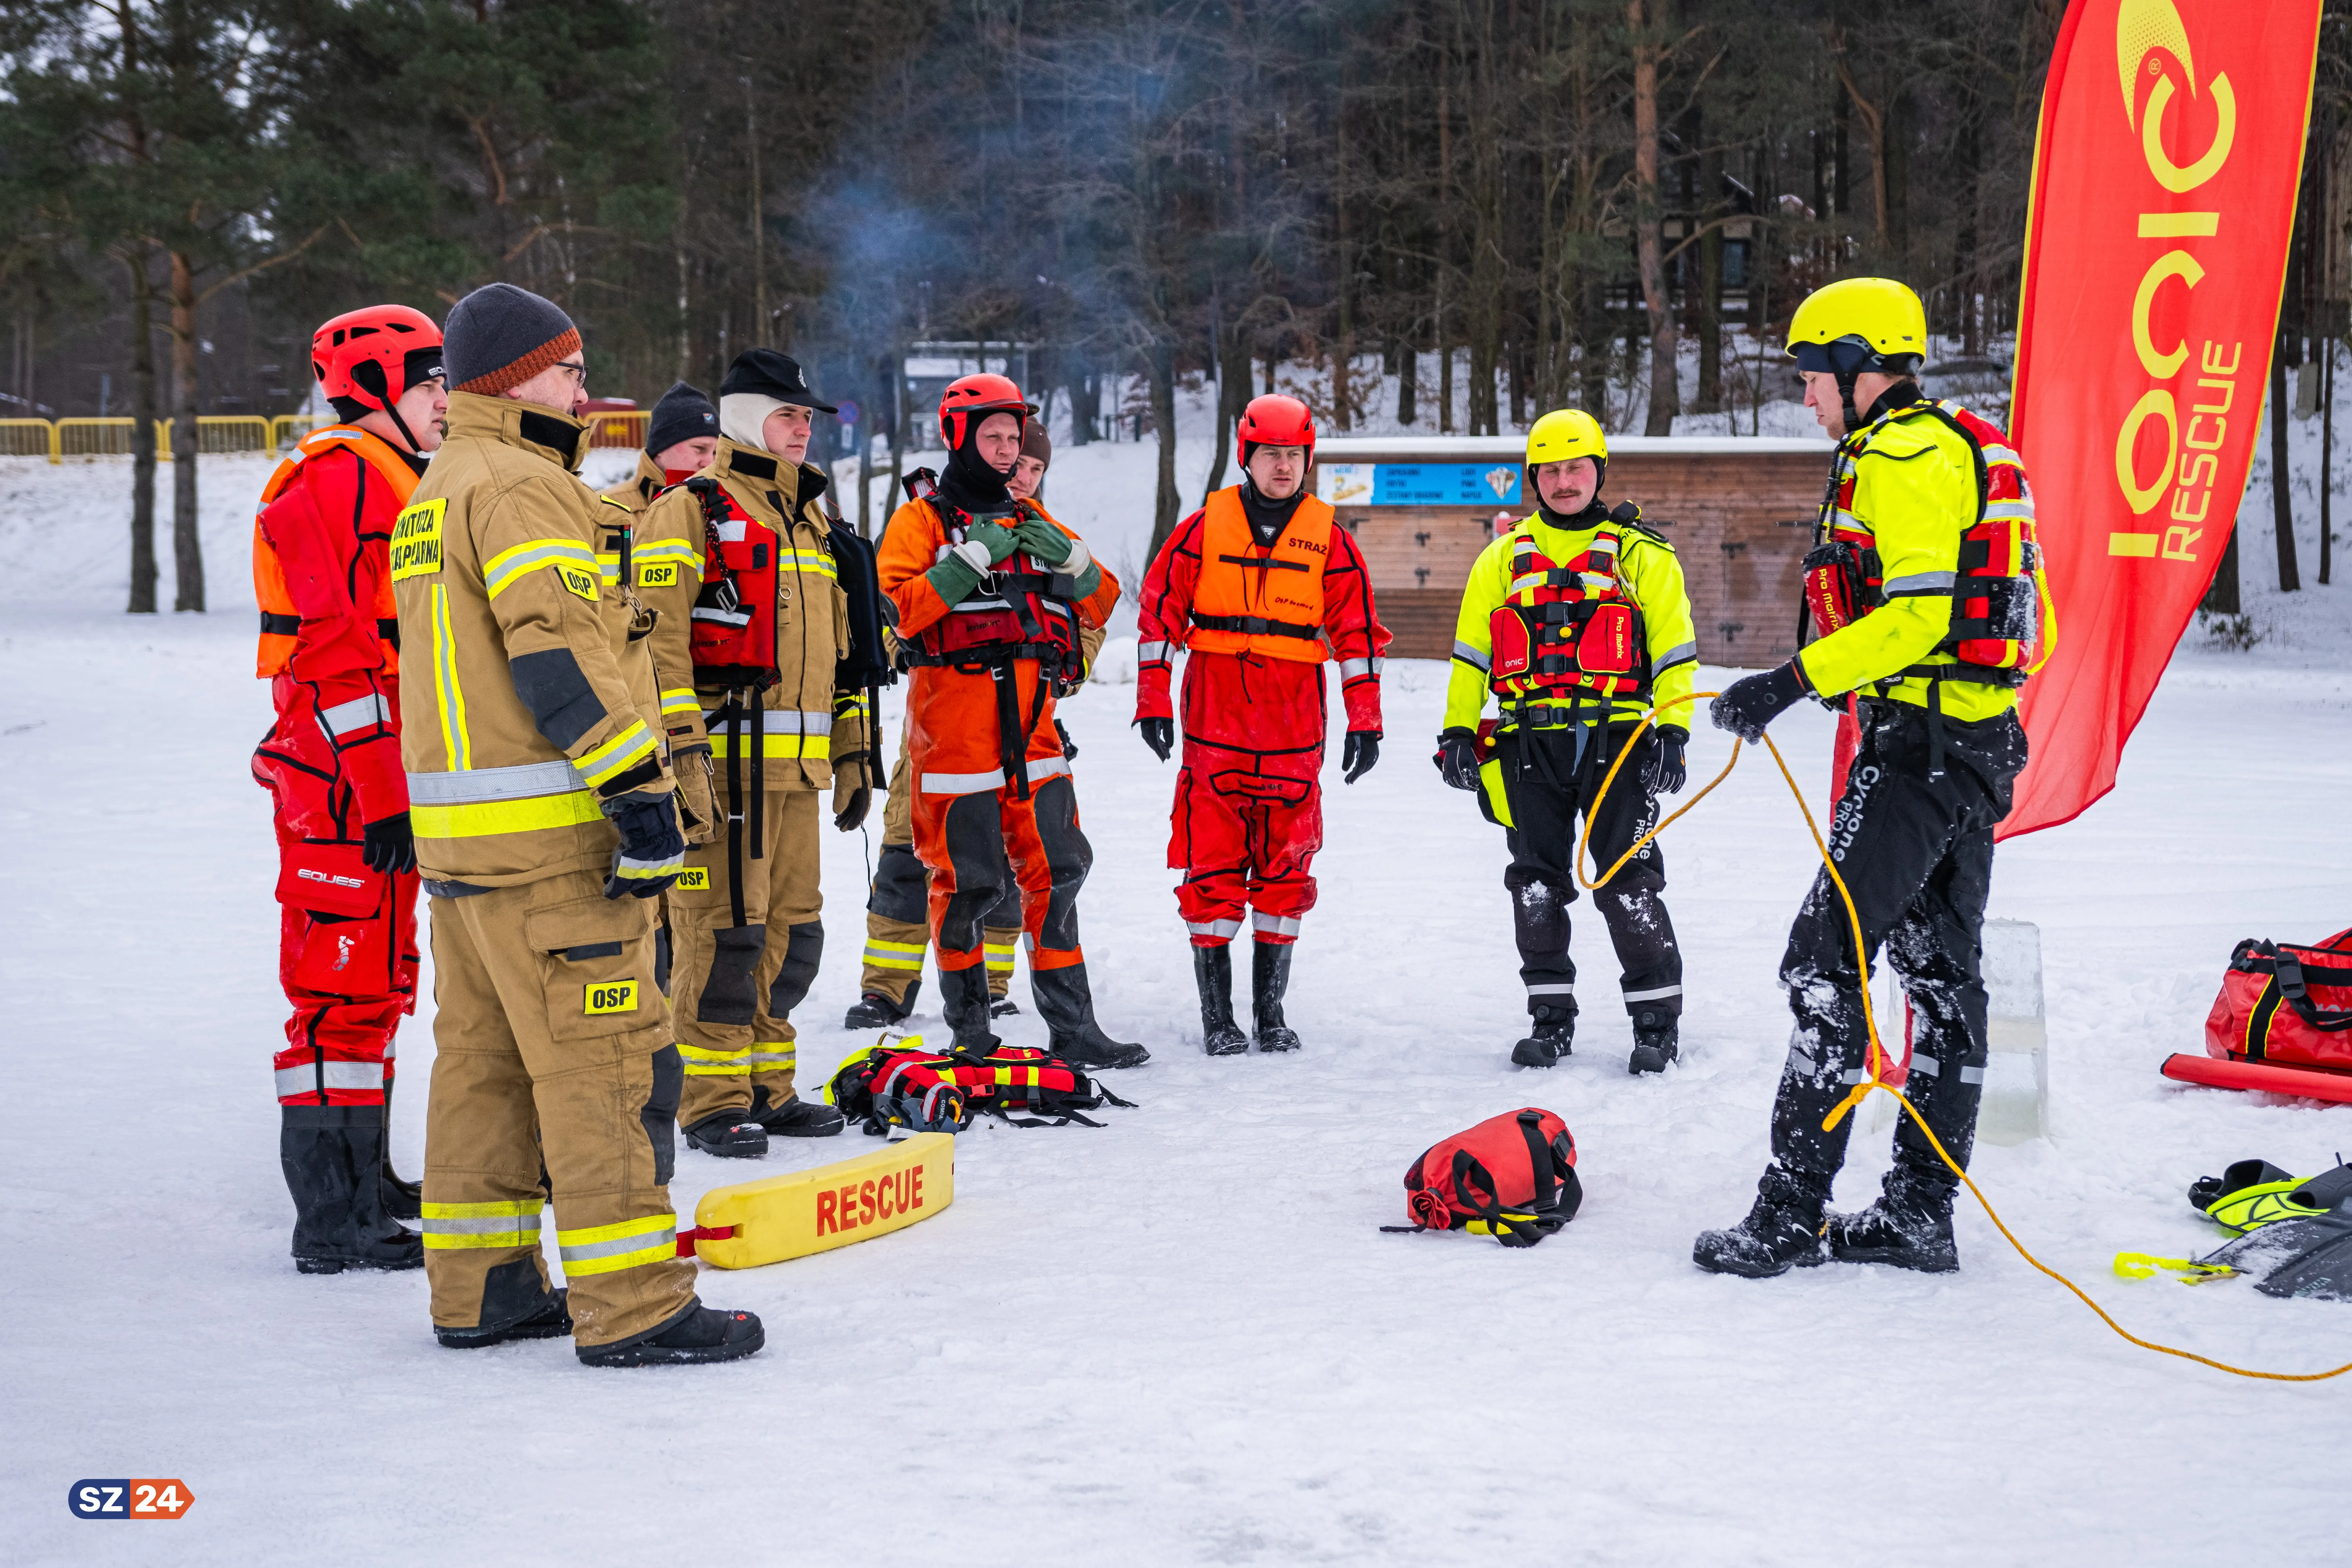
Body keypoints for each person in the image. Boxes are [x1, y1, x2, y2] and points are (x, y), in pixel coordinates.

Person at [395, 281, 760, 1365]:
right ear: (515, 381)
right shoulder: (522, 486)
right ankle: (635, 1302)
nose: (585, 391)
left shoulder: (437, 488)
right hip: (556, 850)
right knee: (602, 1066)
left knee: (484, 1069)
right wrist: (640, 794)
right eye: (568, 371)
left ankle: (486, 1286)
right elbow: (556, 649)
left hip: (466, 852)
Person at [1693, 276, 2038, 1278]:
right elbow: (2033, 622)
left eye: (1812, 376)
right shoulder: (1972, 447)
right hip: (1968, 749)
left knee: (1821, 964)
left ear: (1858, 365)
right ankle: (1918, 1215)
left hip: (1916, 758)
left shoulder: (1900, 456)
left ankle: (1789, 1212)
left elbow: (1918, 615)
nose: (1805, 397)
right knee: (1940, 981)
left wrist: (1788, 682)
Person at [630, 348, 871, 1156]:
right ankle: (710, 1100)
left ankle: (769, 1088)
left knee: (791, 939)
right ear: (743, 418)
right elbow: (655, 646)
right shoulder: (690, 509)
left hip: (795, 779)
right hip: (722, 774)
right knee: (723, 937)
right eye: (786, 415)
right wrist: (682, 758)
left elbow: (839, 658)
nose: (802, 430)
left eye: (806, 417)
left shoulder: (811, 522)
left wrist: (852, 752)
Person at [251, 304, 447, 1274]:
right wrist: (379, 789)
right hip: (339, 779)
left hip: (378, 775)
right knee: (337, 991)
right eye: (429, 382)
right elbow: (335, 648)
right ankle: (333, 1219)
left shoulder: (396, 473)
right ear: (373, 387)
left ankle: (370, 1183)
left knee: (377, 979)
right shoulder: (336, 478)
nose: (446, 400)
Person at [874, 374, 1141, 1068]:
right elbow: (896, 611)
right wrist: (971, 560)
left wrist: (1071, 558)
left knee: (1060, 870)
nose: (1003, 449)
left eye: (1012, 437)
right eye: (991, 436)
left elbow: (1103, 599)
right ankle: (971, 1033)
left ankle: (1075, 1029)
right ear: (958, 436)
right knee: (966, 884)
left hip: (1035, 736)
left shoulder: (1032, 518)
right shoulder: (920, 523)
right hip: (954, 737)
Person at [1435, 410, 1698, 1074]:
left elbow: (1675, 649)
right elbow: (1470, 657)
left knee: (1628, 883)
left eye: (1576, 468)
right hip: (1528, 744)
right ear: (1534, 478)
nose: (1564, 481)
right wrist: (1458, 730)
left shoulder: (1642, 553)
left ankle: (1656, 1025)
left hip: (1620, 739)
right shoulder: (1501, 558)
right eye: (1550, 470)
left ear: (1599, 472)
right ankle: (1550, 1020)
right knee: (1535, 886)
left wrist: (1674, 730)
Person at [1133, 394, 1389, 1055]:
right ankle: (1218, 1018)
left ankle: (1270, 1014)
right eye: (1271, 454)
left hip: (1293, 732)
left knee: (1287, 866)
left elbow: (1358, 634)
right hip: (1214, 727)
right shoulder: (1199, 531)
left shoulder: (1331, 539)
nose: (1283, 466)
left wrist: (1365, 720)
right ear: (1247, 456)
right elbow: (1159, 615)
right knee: (1211, 865)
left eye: (1294, 455)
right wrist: (1152, 700)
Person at [845, 420, 1102, 1029]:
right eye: (1013, 459)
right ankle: (887, 988)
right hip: (942, 727)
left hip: (1023, 726)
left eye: (1034, 467)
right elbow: (892, 617)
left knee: (1020, 863)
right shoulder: (932, 526)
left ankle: (993, 986)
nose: (1021, 473)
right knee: (911, 856)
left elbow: (1087, 619)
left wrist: (1063, 670)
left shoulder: (1041, 533)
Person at [598, 380, 719, 520]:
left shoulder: (725, 510)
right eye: (699, 449)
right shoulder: (604, 510)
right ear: (662, 448)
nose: (710, 463)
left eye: (715, 453)